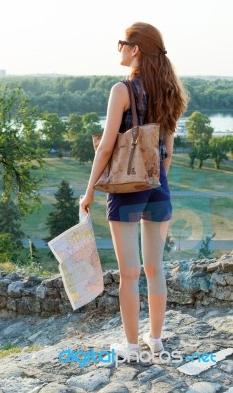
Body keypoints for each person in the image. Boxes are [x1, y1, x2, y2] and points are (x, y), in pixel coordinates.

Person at [79, 22, 188, 360]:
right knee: (155, 269)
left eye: (122, 43)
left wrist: (89, 191)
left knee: (129, 273)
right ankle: (155, 341)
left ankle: (130, 348)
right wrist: (159, 179)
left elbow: (107, 145)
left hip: (127, 189)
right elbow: (168, 147)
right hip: (159, 186)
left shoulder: (122, 89)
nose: (120, 49)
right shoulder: (168, 89)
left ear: (136, 49)